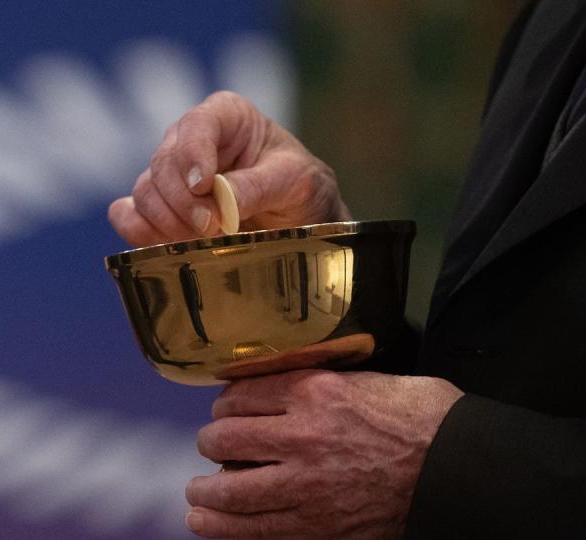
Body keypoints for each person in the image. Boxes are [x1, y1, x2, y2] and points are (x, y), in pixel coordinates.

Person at [109, 1, 586, 537]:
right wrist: (313, 270)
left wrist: (444, 466)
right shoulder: (553, 20)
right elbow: (518, 375)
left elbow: (441, 447)